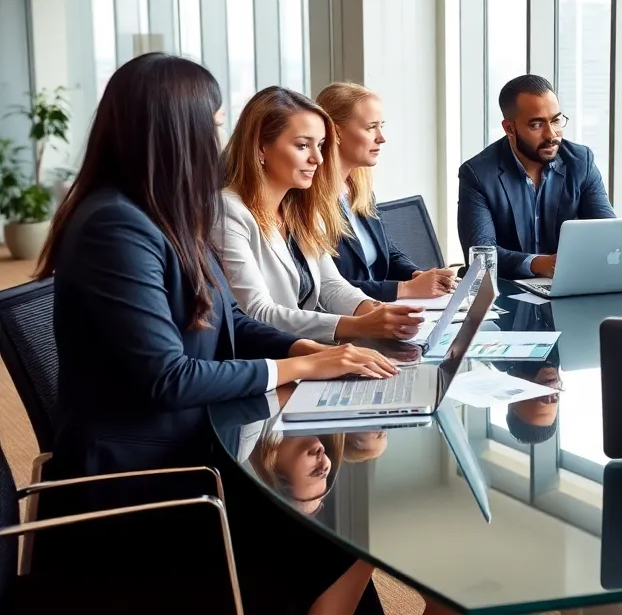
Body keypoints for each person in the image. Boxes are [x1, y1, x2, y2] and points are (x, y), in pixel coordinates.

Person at [34, 52, 404, 614]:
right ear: (173, 133)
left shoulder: (162, 213)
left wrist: (301, 347)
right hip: (148, 482)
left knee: (343, 532)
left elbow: (233, 320)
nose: (219, 144)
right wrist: (299, 367)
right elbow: (166, 378)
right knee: (347, 533)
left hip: (196, 447)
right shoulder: (115, 226)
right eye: (210, 128)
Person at [218, 86, 425, 343]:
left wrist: (377, 311)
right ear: (261, 147)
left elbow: (330, 285)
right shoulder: (229, 211)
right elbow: (257, 312)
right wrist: (359, 326)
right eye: (303, 145)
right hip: (274, 359)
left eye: (321, 145)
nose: (317, 158)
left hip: (314, 348)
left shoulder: (299, 206)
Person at [458, 74, 615, 280]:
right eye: (536, 125)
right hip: (507, 290)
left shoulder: (580, 161)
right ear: (509, 128)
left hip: (569, 284)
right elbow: (481, 255)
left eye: (556, 120)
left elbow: (609, 233)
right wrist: (539, 264)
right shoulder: (478, 174)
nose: (551, 134)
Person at [316, 81, 458, 300]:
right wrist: (405, 289)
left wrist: (415, 275)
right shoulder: (309, 201)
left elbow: (387, 251)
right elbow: (327, 288)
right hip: (348, 321)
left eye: (381, 126)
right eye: (370, 127)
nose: (381, 137)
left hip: (383, 309)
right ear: (335, 132)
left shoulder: (358, 188)